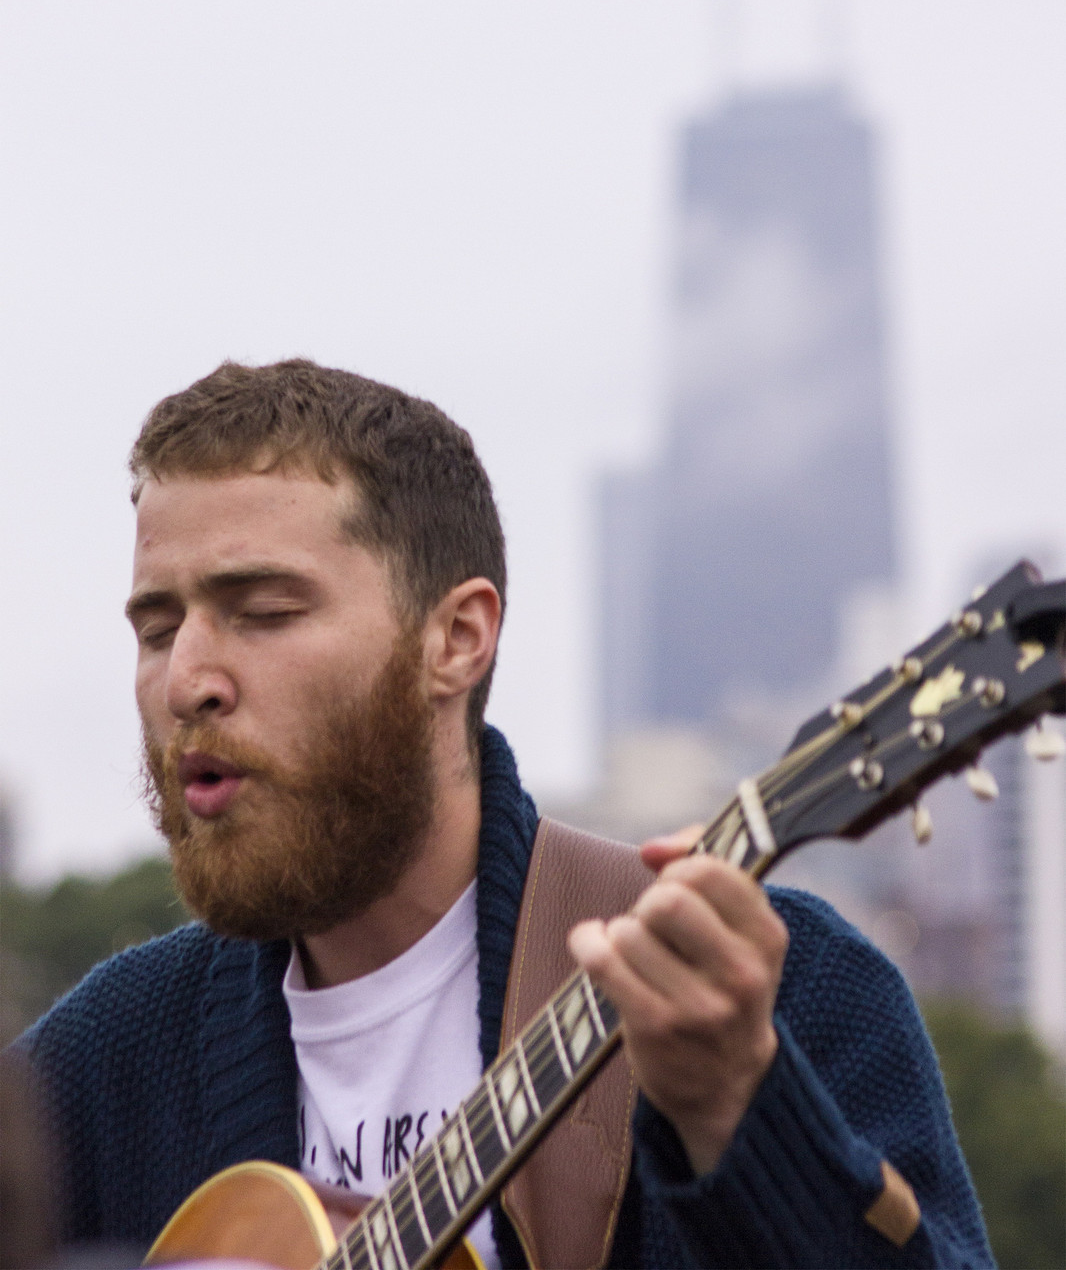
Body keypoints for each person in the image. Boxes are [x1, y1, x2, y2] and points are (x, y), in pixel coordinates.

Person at [19, 360, 992, 1269]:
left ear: (456, 638)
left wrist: (739, 1106)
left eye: (264, 611)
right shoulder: (102, 1066)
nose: (186, 678)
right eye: (157, 628)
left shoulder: (774, 992)